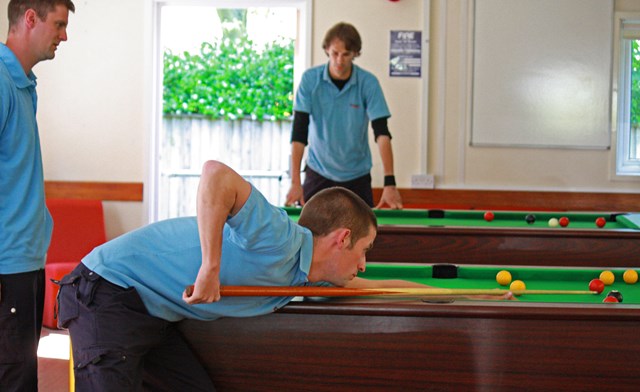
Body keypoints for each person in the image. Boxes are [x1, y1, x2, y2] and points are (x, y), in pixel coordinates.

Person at [57, 160, 513, 391]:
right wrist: (210, 267)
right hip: (106, 291)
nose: (363, 266)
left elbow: (386, 288)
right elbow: (216, 174)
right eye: (364, 251)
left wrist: (470, 296)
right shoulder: (279, 237)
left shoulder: (312, 276)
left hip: (151, 313)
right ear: (340, 238)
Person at [0, 1, 74, 390]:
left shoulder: (23, 84)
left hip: (25, 264)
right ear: (30, 19)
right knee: (14, 379)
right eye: (59, 24)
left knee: (23, 377)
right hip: (6, 267)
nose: (64, 35)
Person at [285, 22, 403, 209]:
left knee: (363, 236)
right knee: (313, 235)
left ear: (355, 53)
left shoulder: (368, 83)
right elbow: (299, 134)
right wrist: (295, 182)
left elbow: (382, 134)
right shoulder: (310, 80)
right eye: (335, 53)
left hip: (357, 176)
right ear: (326, 50)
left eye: (346, 54)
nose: (340, 60)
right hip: (318, 173)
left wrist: (390, 182)